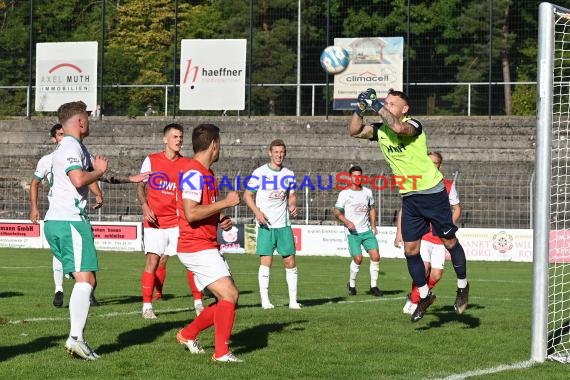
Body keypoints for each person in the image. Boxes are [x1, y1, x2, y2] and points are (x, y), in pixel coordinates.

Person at [348, 88, 469, 322]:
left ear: (404, 110)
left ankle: (463, 286)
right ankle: (424, 296)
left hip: (432, 193)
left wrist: (376, 106)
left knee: (449, 241)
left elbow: (399, 128)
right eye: (387, 102)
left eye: (392, 104)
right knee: (410, 251)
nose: (387, 105)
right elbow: (353, 131)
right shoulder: (380, 129)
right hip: (410, 196)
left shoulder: (413, 124)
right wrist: (360, 109)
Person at [43, 101, 108, 360]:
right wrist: (100, 171)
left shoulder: (76, 147)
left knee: (88, 280)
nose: (89, 122)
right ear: (80, 122)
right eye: (87, 118)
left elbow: (95, 173)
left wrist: (131, 179)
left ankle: (77, 338)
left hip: (60, 221)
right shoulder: (70, 146)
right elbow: (80, 178)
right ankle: (76, 339)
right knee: (86, 281)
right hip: (69, 221)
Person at [175, 123, 242, 363]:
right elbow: (191, 213)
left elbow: (202, 210)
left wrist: (220, 218)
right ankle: (221, 353)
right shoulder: (194, 173)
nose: (220, 149)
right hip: (196, 246)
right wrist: (225, 203)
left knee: (228, 298)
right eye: (219, 144)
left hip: (205, 244)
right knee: (229, 295)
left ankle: (187, 334)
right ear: (214, 145)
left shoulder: (207, 174)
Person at [137, 123, 203, 319]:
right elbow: (140, 186)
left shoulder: (188, 164)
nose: (179, 140)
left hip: (178, 222)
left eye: (181, 137)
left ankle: (198, 303)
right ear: (165, 139)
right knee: (152, 261)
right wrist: (145, 205)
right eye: (175, 137)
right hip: (155, 222)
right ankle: (147, 307)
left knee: (191, 261)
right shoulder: (151, 160)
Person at [395, 152, 462, 314]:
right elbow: (404, 210)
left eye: (435, 163)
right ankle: (416, 301)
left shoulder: (447, 185)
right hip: (423, 236)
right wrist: (399, 233)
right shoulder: (416, 184)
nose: (432, 165)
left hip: (439, 239)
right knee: (423, 269)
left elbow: (457, 208)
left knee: (436, 275)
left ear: (440, 165)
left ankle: (414, 295)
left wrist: (446, 225)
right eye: (429, 162)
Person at [243, 139, 301, 310]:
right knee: (266, 262)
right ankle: (265, 301)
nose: (279, 155)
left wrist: (292, 204)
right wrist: (257, 213)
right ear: (270, 153)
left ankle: (293, 301)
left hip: (283, 224)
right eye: (276, 152)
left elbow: (292, 195)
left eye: (282, 152)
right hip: (265, 225)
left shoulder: (289, 174)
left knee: (290, 262)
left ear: (285, 153)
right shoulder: (259, 172)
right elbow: (247, 195)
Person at [333, 165, 382, 297]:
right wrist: (347, 222)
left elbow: (372, 209)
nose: (357, 178)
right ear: (350, 177)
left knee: (376, 256)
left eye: (359, 175)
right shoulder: (344, 194)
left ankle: (374, 286)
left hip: (366, 231)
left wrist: (373, 225)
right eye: (354, 176)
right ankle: (352, 284)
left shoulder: (368, 192)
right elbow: (336, 211)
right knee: (358, 259)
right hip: (352, 233)